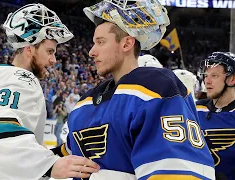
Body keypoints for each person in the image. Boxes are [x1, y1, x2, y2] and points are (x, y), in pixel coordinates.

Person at [52, 0, 215, 179]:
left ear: (127, 44)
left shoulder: (155, 88)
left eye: (100, 42)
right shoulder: (85, 102)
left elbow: (177, 172)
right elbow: (65, 154)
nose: (91, 51)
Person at [0, 4, 99, 180]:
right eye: (49, 51)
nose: (53, 60)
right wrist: (49, 165)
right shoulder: (23, 80)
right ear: (29, 49)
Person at [196, 52, 235, 180]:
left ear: (232, 79)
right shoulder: (194, 109)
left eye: (215, 76)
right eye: (206, 75)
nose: (207, 81)